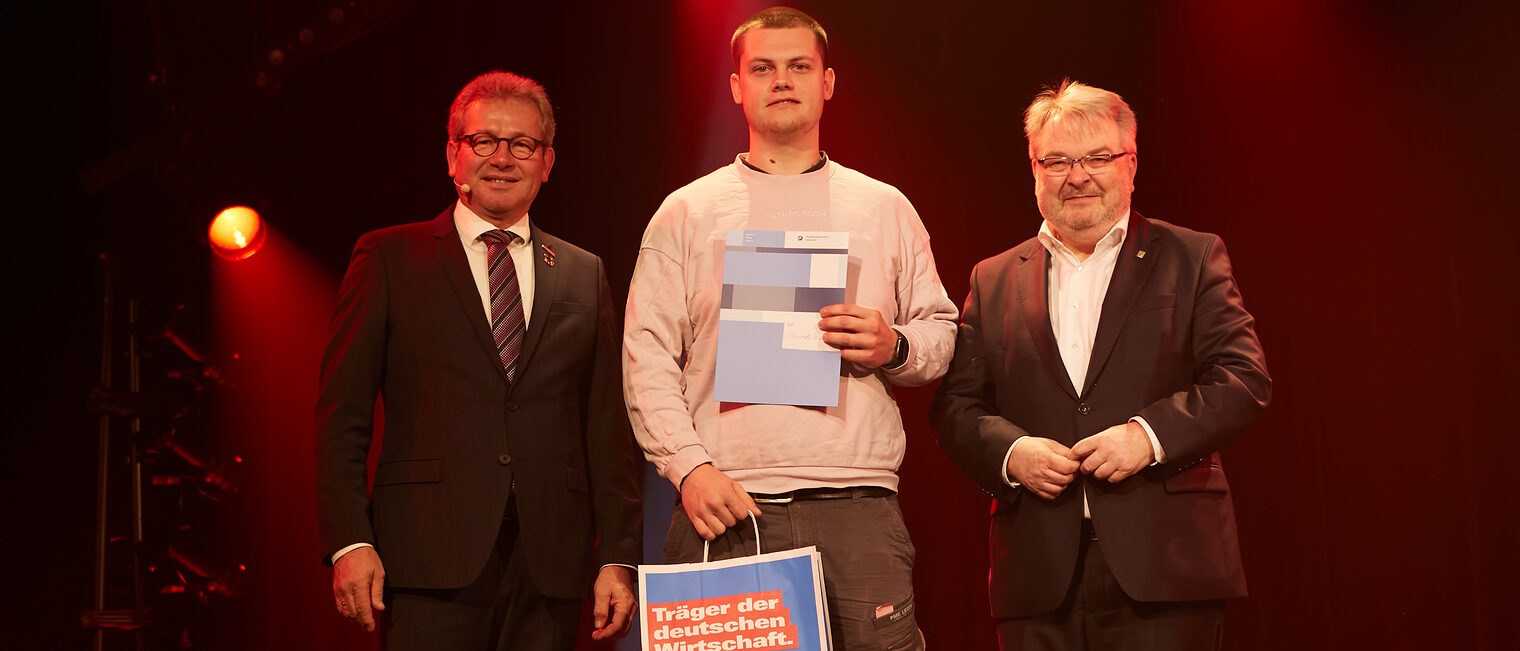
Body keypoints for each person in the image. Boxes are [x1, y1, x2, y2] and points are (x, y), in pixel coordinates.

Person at [623, 7, 957, 650]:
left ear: (827, 82)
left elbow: (942, 333)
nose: (782, 80)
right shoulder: (686, 212)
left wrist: (895, 345)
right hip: (724, 502)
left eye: (799, 66)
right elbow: (646, 359)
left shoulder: (883, 206)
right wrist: (689, 470)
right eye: (763, 68)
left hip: (856, 503)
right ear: (735, 87)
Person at [930, 79, 1271, 650]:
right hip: (1037, 576)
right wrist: (1013, 454)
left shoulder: (1191, 256)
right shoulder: (992, 278)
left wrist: (1148, 436)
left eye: (1097, 157)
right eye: (1057, 160)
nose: (1077, 175)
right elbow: (956, 408)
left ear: (1131, 164)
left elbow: (1242, 379)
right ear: (1035, 170)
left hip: (1166, 568)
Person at [314, 71, 642, 650]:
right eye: (484, 141)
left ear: (547, 162)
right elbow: (342, 417)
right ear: (453, 155)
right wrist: (349, 541)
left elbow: (605, 427)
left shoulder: (583, 271)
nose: (503, 158)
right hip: (424, 559)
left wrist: (618, 556)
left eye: (523, 145)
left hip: (551, 566)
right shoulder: (388, 256)